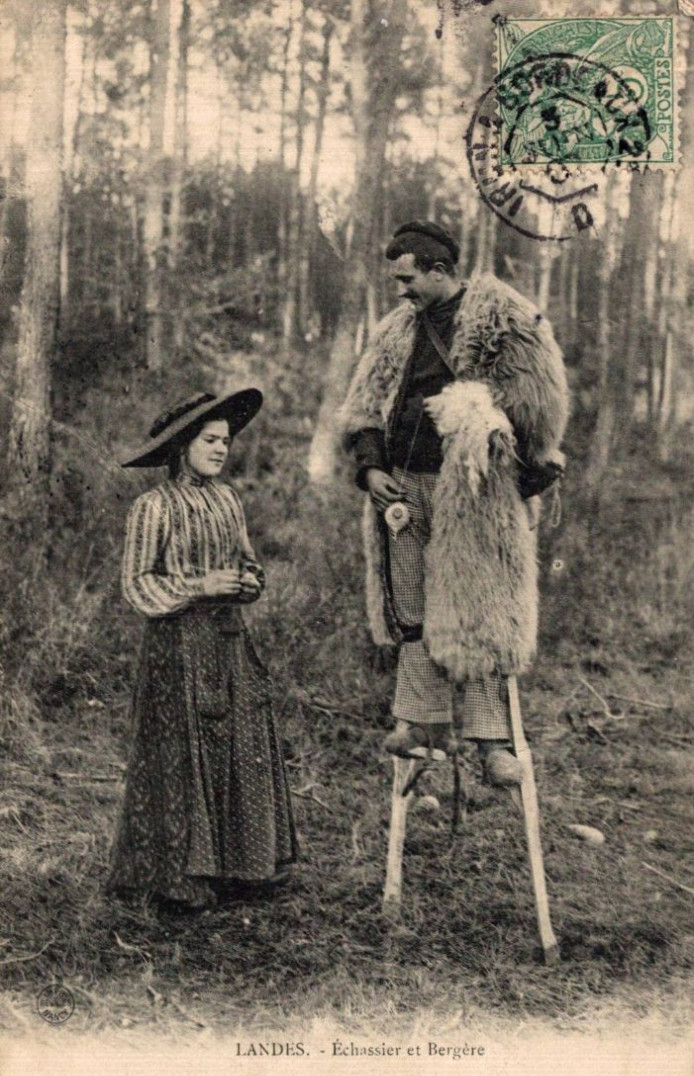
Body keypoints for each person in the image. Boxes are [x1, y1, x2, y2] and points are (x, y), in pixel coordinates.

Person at [338, 220, 569, 783]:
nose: (402, 290)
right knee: (413, 607)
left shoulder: (504, 322)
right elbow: (364, 406)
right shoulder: (395, 331)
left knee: (482, 609)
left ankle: (492, 744)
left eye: (409, 278)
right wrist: (370, 468)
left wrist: (479, 422)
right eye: (397, 280)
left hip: (476, 493)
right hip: (405, 487)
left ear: (440, 271)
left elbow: (539, 413)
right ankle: (421, 724)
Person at [107, 389, 296, 910]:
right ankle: (174, 880)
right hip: (177, 647)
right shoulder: (153, 507)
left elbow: (249, 561)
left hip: (229, 642)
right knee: (180, 754)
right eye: (210, 440)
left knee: (240, 745)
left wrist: (249, 582)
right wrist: (199, 586)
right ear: (183, 445)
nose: (220, 450)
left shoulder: (228, 499)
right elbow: (138, 584)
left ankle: (243, 869)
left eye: (226, 442)